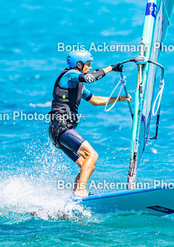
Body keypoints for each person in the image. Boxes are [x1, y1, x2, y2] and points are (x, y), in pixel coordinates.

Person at [48, 50, 131, 197]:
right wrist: (111, 68)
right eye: (88, 64)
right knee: (92, 155)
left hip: (58, 131)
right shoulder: (70, 75)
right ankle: (81, 191)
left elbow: (95, 100)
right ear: (79, 64)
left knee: (87, 165)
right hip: (61, 127)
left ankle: (75, 196)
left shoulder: (76, 84)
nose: (90, 67)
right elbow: (90, 78)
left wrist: (120, 98)